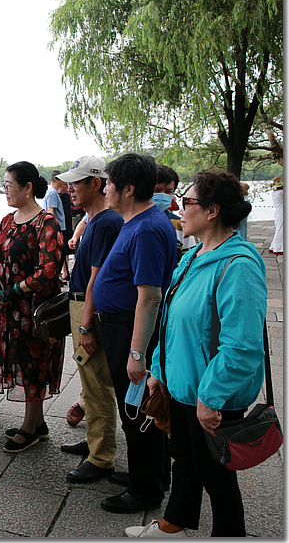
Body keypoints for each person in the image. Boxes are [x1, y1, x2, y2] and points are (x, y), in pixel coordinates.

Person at [126, 170, 266, 537]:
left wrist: (211, 396)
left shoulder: (238, 266)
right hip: (183, 385)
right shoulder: (192, 258)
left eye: (187, 202)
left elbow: (242, 346)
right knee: (184, 460)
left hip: (210, 391)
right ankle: (173, 524)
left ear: (213, 211)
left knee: (216, 476)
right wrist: (159, 370)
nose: (178, 208)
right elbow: (171, 323)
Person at [92, 153, 177, 514]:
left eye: (109, 183)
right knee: (138, 408)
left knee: (137, 411)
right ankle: (152, 473)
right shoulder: (138, 221)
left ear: (127, 189)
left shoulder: (145, 229)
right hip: (120, 325)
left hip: (130, 328)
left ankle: (146, 489)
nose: (105, 189)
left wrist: (137, 354)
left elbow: (149, 296)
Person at [54, 157, 124, 483]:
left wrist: (84, 325)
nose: (70, 189)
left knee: (96, 386)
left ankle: (101, 458)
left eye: (77, 183)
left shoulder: (107, 223)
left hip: (88, 307)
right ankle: (94, 441)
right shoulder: (94, 219)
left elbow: (98, 276)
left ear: (96, 184)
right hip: (82, 303)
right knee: (89, 382)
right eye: (68, 183)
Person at [0, 161, 64, 453]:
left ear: (28, 188)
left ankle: (30, 427)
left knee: (34, 364)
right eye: (4, 186)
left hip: (35, 309)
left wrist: (14, 291)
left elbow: (49, 268)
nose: (5, 191)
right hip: (10, 309)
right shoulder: (7, 220)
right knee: (19, 359)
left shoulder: (45, 221)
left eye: (9, 186)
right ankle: (39, 423)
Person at [50, 170, 74, 281]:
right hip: (58, 229)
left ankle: (63, 273)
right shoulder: (53, 193)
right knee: (59, 253)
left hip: (64, 227)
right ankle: (57, 275)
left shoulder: (56, 193)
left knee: (65, 251)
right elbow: (51, 212)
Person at [268, 176, 283, 255]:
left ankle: (273, 246)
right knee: (281, 229)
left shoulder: (274, 192)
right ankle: (278, 248)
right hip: (282, 212)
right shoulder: (281, 193)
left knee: (279, 228)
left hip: (278, 211)